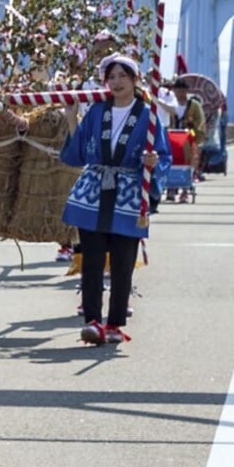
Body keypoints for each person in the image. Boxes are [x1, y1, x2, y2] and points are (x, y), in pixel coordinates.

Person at [64, 55, 161, 346]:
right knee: (91, 261)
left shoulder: (148, 115)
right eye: (111, 76)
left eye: (122, 76)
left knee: (122, 264)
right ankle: (92, 321)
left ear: (135, 80)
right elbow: (78, 152)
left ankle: (116, 323)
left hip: (128, 195)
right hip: (93, 193)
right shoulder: (96, 112)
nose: (116, 82)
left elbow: (163, 155)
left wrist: (153, 162)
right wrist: (70, 116)